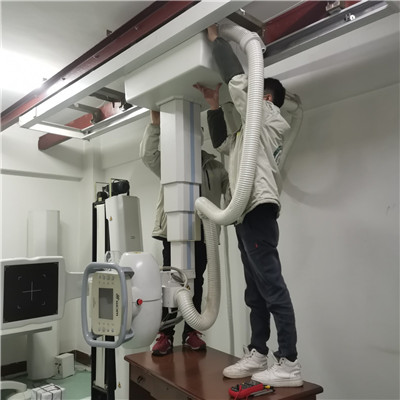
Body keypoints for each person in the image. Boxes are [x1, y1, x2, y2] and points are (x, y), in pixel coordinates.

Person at [193, 25, 303, 387]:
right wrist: (214, 105)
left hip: (257, 210)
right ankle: (258, 352)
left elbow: (240, 82)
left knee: (272, 288)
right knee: (255, 292)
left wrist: (217, 41)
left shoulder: (268, 117)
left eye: (256, 93)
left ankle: (288, 362)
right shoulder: (249, 133)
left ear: (265, 98)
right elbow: (223, 144)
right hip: (244, 213)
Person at [140, 109, 230, 356]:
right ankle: (165, 334)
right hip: (173, 232)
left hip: (203, 234)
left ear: (200, 137)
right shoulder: (169, 162)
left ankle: (191, 332)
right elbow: (147, 155)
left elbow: (233, 196)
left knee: (197, 282)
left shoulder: (216, 168)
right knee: (170, 282)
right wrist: (155, 125)